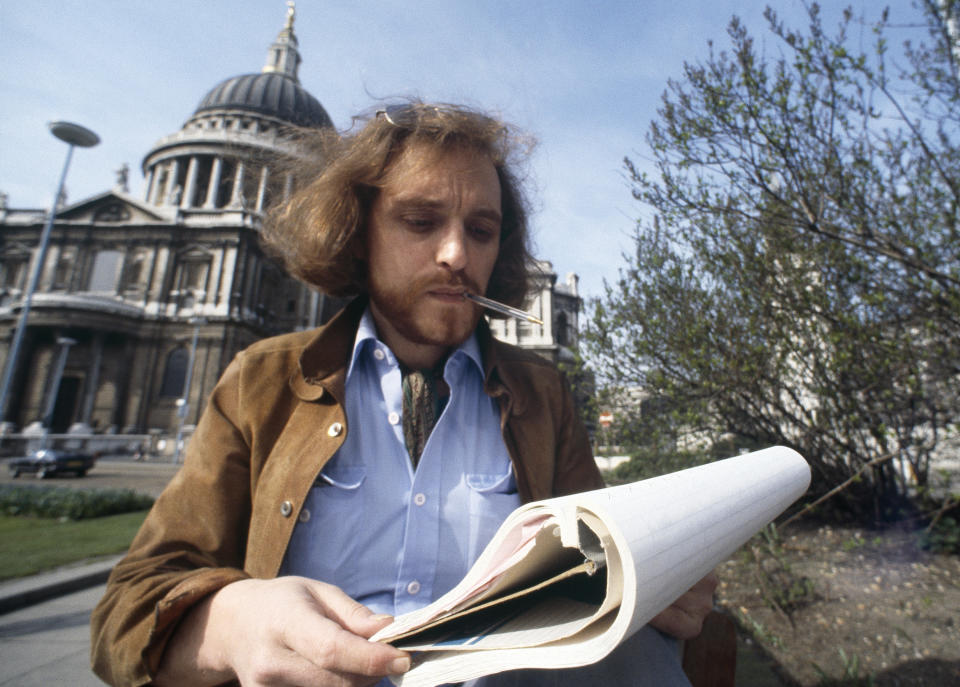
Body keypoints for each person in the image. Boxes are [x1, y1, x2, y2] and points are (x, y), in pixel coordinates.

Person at [90, 102, 716, 687]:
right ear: (360, 231)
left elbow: (595, 560)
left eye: (481, 230)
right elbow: (126, 610)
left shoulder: (541, 394)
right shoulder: (263, 381)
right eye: (420, 222)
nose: (456, 254)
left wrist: (652, 581)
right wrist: (228, 621)